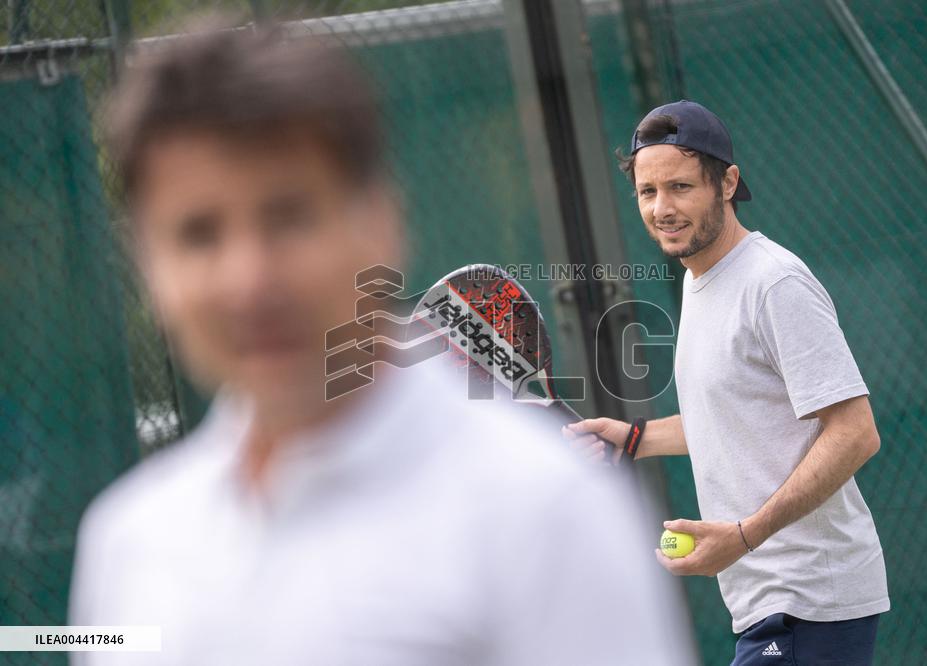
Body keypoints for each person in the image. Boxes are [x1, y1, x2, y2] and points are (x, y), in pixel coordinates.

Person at [68, 19, 685, 665]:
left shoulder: (547, 512)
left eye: (289, 217)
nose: (249, 279)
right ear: (146, 266)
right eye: (198, 234)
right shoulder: (127, 540)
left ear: (381, 224)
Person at [566, 100, 889, 665]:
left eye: (681, 187)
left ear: (727, 183)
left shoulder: (773, 283)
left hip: (808, 601)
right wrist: (635, 438)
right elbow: (737, 419)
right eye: (648, 192)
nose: (663, 208)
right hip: (770, 604)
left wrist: (745, 535)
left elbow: (855, 432)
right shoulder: (702, 282)